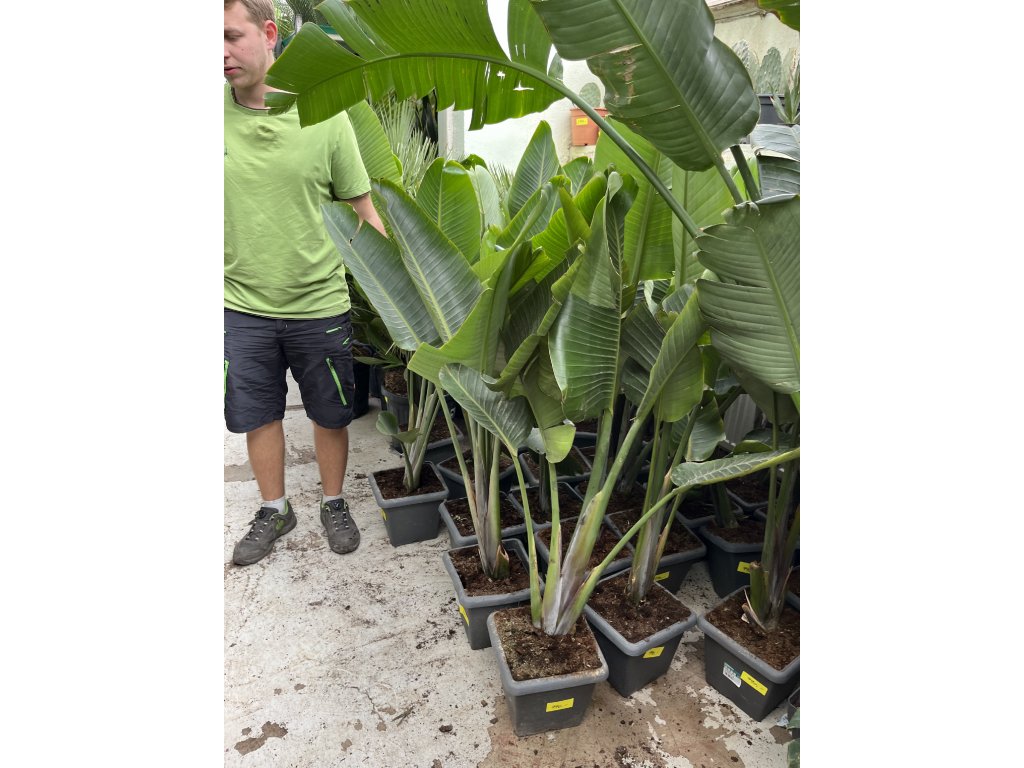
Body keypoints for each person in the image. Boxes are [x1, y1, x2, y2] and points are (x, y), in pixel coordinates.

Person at [224, 0, 386, 566]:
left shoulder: (324, 114)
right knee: (257, 415)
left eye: (231, 36)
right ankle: (275, 509)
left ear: (269, 33)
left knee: (330, 413)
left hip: (319, 303)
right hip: (241, 305)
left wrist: (404, 296)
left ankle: (333, 502)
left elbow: (363, 210)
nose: (220, 53)